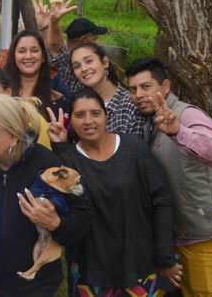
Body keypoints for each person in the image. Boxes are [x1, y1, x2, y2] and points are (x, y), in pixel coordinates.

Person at [47, 88, 181, 294]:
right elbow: (68, 208)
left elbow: (161, 200)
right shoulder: (67, 159)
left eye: (95, 113)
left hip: (139, 265)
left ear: (106, 115)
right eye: (80, 115)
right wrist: (60, 149)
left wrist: (163, 254)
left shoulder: (134, 148)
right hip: (90, 271)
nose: (88, 121)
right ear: (70, 120)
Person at [0, 94, 90, 296]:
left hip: (36, 285)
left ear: (13, 135)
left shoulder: (46, 164)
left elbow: (83, 219)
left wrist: (56, 223)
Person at [125, 57, 212, 295]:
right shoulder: (150, 123)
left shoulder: (187, 116)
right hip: (180, 240)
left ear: (165, 87)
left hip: (206, 237)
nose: (138, 94)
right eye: (133, 89)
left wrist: (179, 132)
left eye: (146, 86)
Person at [33, 0, 108, 94]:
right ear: (84, 40)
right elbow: (57, 47)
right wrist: (52, 23)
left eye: (89, 61)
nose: (84, 69)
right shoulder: (67, 63)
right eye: (95, 39)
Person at [70, 43, 144, 135]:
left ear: (105, 62)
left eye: (89, 61)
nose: (84, 69)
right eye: (77, 66)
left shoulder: (131, 105)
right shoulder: (76, 99)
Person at [5, 30, 67, 117]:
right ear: (13, 56)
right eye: (22, 51)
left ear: (43, 57)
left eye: (34, 50)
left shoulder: (58, 100)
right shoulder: (2, 96)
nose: (28, 56)